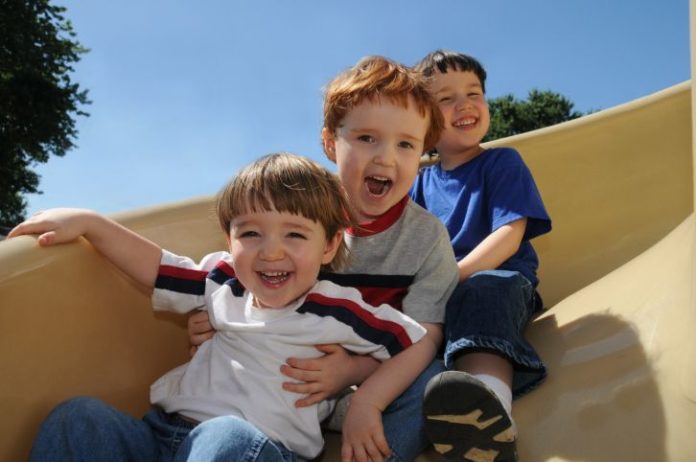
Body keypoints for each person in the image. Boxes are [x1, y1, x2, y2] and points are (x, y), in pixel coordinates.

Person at [9, 153, 430, 462]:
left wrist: (365, 397)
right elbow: (156, 267)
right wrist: (90, 223)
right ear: (229, 242)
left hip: (254, 450)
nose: (271, 252)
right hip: (160, 436)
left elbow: (419, 343)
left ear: (330, 245)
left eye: (295, 236)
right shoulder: (220, 281)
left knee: (227, 438)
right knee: (77, 418)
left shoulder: (336, 309)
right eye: (251, 233)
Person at [188, 56, 461, 462]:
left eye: (406, 144)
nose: (386, 157)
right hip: (283, 383)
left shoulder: (426, 237)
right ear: (332, 143)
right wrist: (215, 315)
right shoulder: (299, 215)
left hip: (373, 381)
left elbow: (424, 339)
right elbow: (249, 264)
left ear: (423, 155)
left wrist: (360, 386)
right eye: (367, 138)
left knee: (434, 382)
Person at [409, 50, 553, 461]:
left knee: (483, 292)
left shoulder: (501, 162)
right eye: (447, 98)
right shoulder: (418, 185)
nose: (465, 104)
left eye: (474, 93)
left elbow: (511, 233)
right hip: (441, 294)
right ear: (424, 120)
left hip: (500, 281)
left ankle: (488, 413)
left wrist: (457, 274)